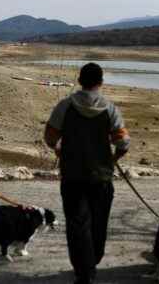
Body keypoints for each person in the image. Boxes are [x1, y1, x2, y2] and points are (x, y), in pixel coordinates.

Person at [45, 62, 130, 284]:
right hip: (101, 178)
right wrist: (111, 160)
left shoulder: (64, 106)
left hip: (72, 176)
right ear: (101, 82)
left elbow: (50, 138)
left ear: (80, 80)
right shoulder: (110, 109)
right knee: (98, 222)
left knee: (76, 224)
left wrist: (58, 149)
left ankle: (84, 271)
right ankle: (92, 263)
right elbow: (123, 143)